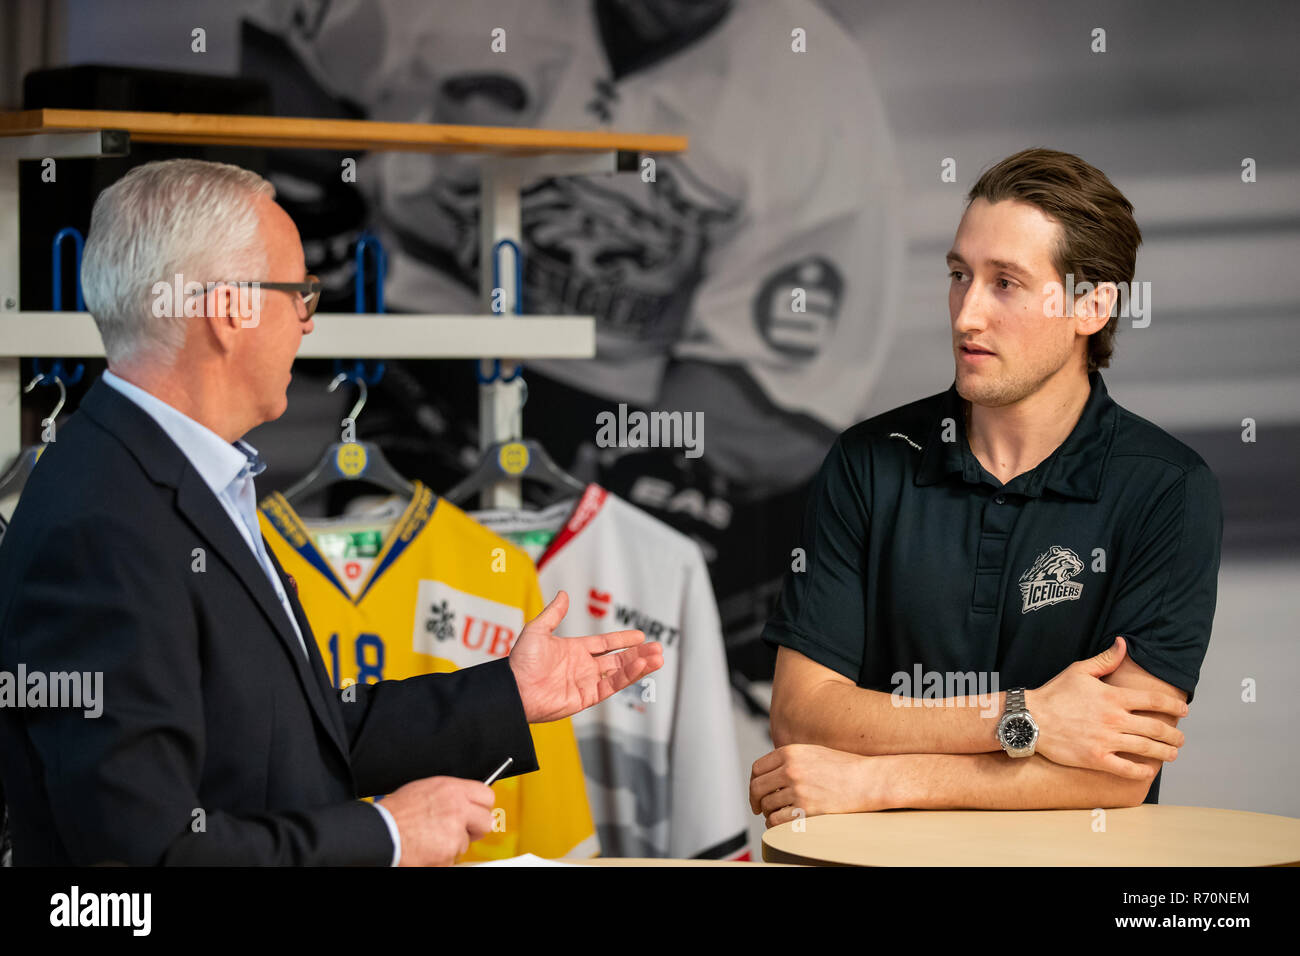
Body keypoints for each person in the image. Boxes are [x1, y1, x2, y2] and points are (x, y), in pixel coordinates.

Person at [0, 158, 662, 865]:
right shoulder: (102, 525)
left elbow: (291, 733)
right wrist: (387, 835)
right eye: (300, 295)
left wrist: (507, 695)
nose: (309, 326)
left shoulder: (179, 479)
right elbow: (146, 856)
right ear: (231, 311)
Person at [751, 148, 1222, 825]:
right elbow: (803, 715)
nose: (967, 313)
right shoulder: (868, 461)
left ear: (1093, 305)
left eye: (1006, 283)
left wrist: (876, 782)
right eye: (958, 275)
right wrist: (1023, 716)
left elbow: (1115, 775)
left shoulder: (1169, 490)